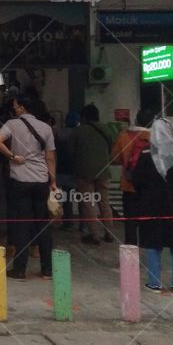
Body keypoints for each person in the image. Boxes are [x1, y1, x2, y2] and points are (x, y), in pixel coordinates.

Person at [130, 118, 173, 294]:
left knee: (153, 245)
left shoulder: (146, 155)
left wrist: (145, 193)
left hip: (151, 206)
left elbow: (136, 180)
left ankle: (154, 282)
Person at [0, 94, 57, 280]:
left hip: (20, 181)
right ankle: (47, 269)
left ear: (21, 108)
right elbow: (50, 157)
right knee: (43, 225)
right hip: (41, 180)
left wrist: (12, 156)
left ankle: (19, 270)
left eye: (15, 105)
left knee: (22, 225)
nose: (14, 108)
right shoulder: (46, 127)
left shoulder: (12, 124)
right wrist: (52, 182)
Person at [71, 104, 115, 245]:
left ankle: (94, 235)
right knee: (104, 202)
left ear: (83, 117)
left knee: (89, 203)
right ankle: (109, 233)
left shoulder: (79, 131)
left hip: (85, 172)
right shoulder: (106, 129)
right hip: (104, 171)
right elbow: (111, 149)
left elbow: (70, 151)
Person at [111, 107, 155, 246]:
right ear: (153, 122)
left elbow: (114, 158)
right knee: (149, 220)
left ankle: (130, 250)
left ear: (136, 120)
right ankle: (148, 248)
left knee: (130, 221)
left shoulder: (124, 135)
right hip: (151, 187)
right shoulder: (158, 137)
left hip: (129, 185)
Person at [55, 111, 80, 231]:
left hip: (61, 168)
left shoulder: (59, 133)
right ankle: (82, 224)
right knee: (83, 197)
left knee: (66, 197)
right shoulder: (78, 133)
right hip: (75, 169)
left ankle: (67, 221)